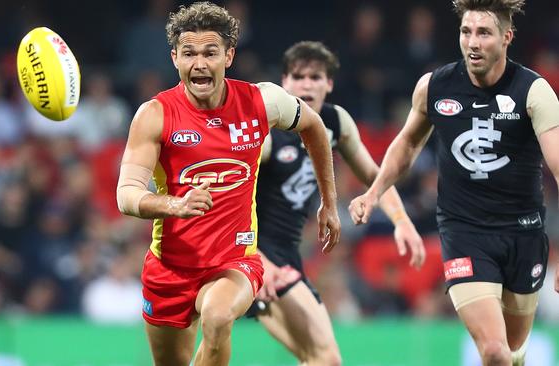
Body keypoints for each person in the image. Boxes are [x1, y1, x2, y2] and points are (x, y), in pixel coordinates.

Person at [115, 3, 341, 366]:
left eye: (210, 52)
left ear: (229, 55)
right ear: (174, 58)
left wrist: (328, 202)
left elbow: (314, 126)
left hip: (235, 262)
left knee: (218, 317)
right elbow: (126, 194)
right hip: (169, 268)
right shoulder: (155, 114)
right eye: (189, 53)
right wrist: (174, 204)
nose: (199, 63)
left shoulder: (262, 101)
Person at [348, 1, 559, 365]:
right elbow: (408, 144)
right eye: (466, 32)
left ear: (507, 37)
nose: (472, 42)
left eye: (484, 33)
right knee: (494, 352)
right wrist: (374, 191)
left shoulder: (533, 91)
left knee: (511, 349)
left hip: (523, 233)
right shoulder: (435, 86)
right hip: (465, 232)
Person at [247, 40, 426, 365]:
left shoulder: (334, 122)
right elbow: (229, 199)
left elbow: (376, 176)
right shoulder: (269, 133)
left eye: (315, 77)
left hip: (284, 257)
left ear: (329, 83)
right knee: (326, 359)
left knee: (314, 358)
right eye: (298, 76)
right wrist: (259, 262)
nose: (306, 84)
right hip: (253, 255)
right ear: (284, 82)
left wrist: (403, 222)